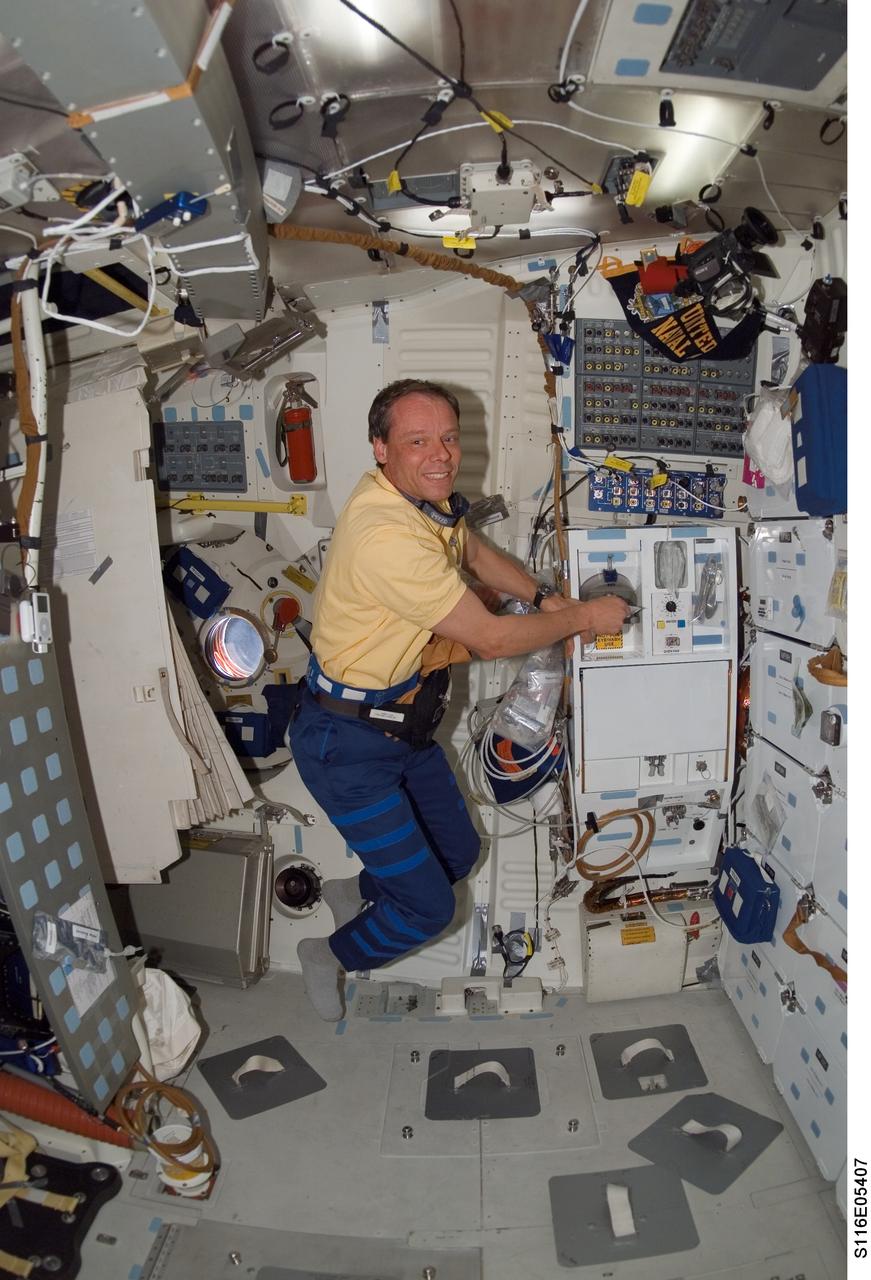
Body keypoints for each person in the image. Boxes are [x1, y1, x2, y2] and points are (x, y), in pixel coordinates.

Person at [289, 379, 629, 1019]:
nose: (440, 454)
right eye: (418, 441)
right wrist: (581, 617)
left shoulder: (419, 500)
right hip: (346, 746)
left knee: (460, 853)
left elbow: (470, 546)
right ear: (380, 448)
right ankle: (330, 954)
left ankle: (352, 890)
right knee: (430, 907)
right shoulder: (387, 535)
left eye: (448, 437)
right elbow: (494, 638)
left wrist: (544, 595)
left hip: (401, 729)